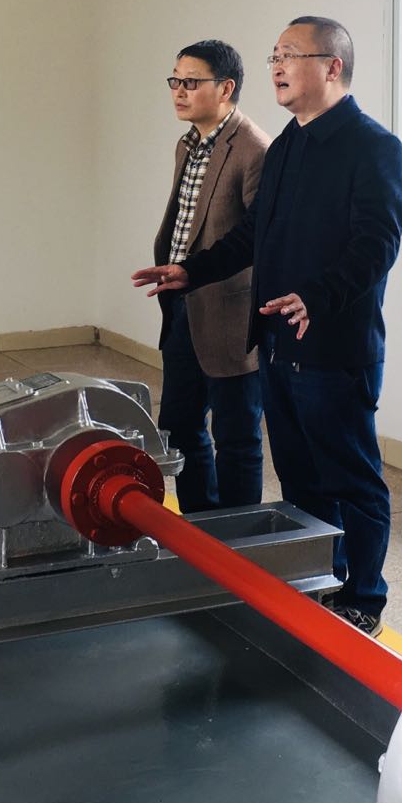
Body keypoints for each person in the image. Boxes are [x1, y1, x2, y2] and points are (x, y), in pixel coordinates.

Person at [134, 16, 402, 636]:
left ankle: (364, 597)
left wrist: (317, 297)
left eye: (290, 55)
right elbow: (253, 237)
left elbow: (376, 246)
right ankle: (319, 581)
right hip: (279, 344)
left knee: (351, 478)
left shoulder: (373, 147)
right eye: (274, 56)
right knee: (301, 479)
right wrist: (192, 271)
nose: (277, 66)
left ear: (332, 66)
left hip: (334, 348)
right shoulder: (288, 145)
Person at [152, 39, 270, 512]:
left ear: (226, 88)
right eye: (175, 81)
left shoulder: (254, 149)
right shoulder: (188, 144)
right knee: (179, 425)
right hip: (183, 304)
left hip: (231, 315)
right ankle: (201, 522)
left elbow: (256, 239)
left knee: (236, 436)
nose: (179, 91)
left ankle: (236, 537)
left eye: (191, 82)